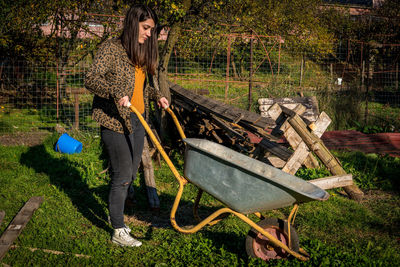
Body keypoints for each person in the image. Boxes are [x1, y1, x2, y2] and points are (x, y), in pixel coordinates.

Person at [85, 4, 169, 247]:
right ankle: (118, 230)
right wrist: (115, 92)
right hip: (114, 120)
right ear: (134, 24)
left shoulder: (140, 52)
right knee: (122, 175)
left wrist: (157, 95)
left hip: (137, 119)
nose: (149, 34)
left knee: (130, 174)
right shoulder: (110, 48)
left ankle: (117, 213)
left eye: (152, 29)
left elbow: (141, 88)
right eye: (146, 28)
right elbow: (91, 79)